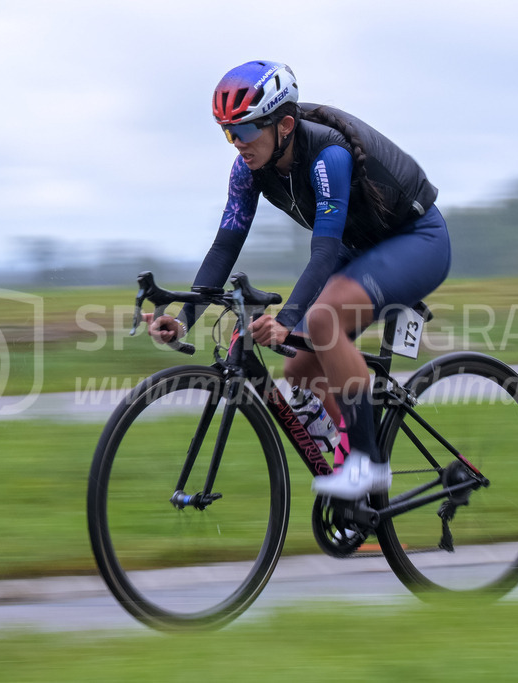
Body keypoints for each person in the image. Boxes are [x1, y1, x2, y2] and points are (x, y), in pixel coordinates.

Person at [149, 60, 451, 500]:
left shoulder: (329, 155)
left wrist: (288, 318)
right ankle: (357, 471)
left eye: (246, 131)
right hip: (364, 247)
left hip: (417, 240)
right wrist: (184, 317)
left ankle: (368, 465)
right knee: (301, 365)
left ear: (285, 124)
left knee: (322, 322)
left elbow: (325, 252)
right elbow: (224, 248)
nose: (238, 145)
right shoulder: (248, 169)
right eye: (228, 133)